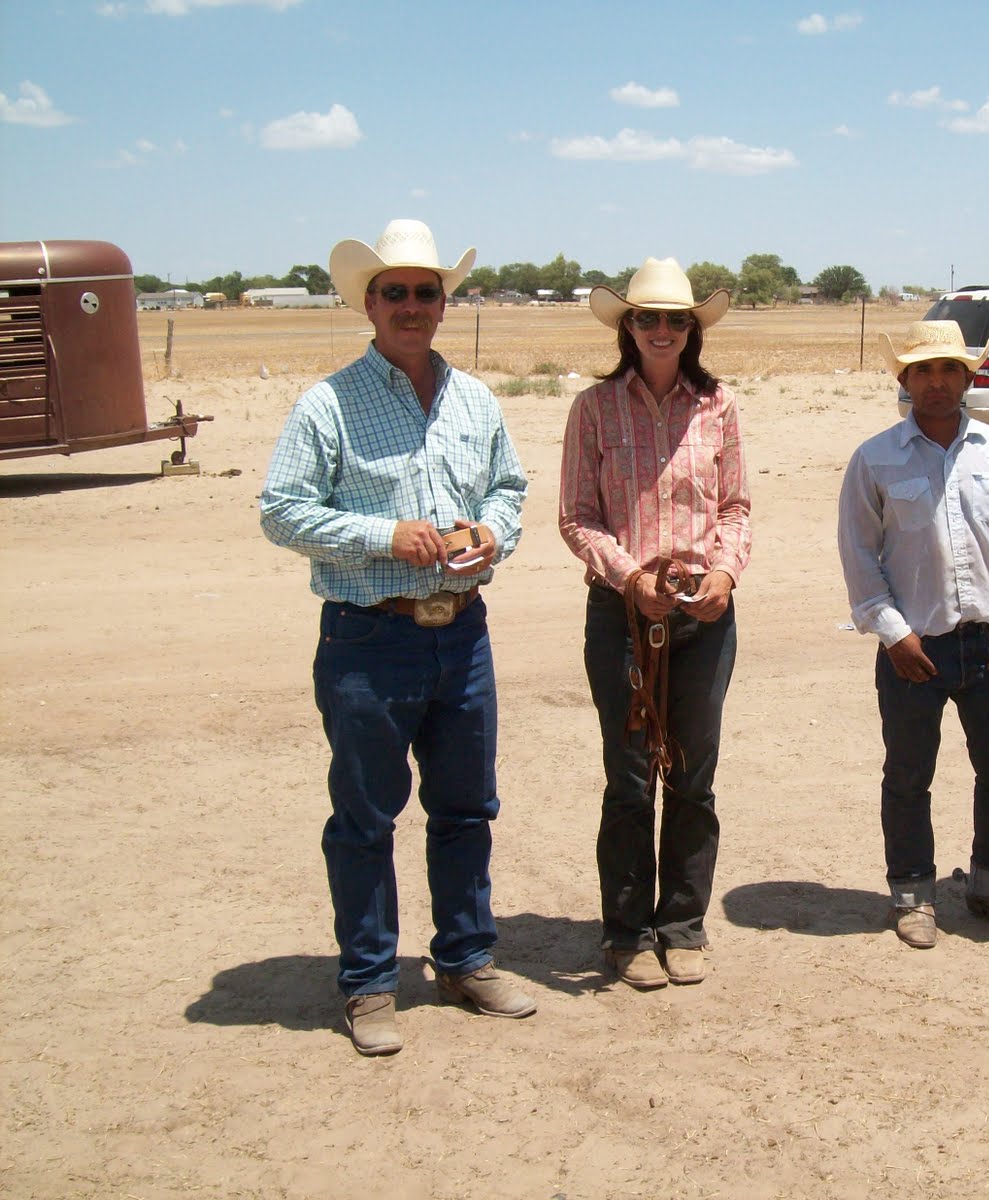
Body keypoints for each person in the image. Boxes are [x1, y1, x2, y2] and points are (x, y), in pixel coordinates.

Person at [261, 219, 535, 1056]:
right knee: (366, 816)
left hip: (462, 634)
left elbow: (510, 487)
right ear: (369, 304)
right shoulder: (327, 404)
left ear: (443, 304)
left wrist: (492, 534)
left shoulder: (475, 400)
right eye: (396, 293)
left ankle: (464, 957)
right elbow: (281, 510)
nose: (412, 306)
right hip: (367, 639)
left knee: (465, 808)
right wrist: (387, 536)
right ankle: (370, 983)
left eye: (426, 292)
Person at [558, 257, 750, 990]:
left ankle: (683, 924)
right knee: (632, 775)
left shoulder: (721, 406)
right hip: (622, 616)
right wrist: (628, 577)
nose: (662, 330)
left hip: (704, 614)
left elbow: (736, 507)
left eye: (676, 319)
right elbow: (576, 516)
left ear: (692, 329)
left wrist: (725, 575)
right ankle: (628, 929)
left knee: (695, 774)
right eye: (648, 318)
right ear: (628, 327)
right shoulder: (595, 409)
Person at [838, 320, 989, 949]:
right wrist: (894, 634)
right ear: (904, 380)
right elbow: (859, 556)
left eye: (949, 370)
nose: (936, 382)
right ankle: (913, 895)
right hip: (911, 651)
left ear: (969, 376)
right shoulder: (874, 458)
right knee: (907, 776)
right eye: (923, 371)